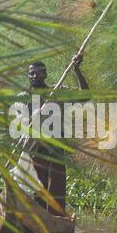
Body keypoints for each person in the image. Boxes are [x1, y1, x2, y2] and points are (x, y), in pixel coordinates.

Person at [20, 52, 88, 216]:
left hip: (56, 148)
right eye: (32, 73)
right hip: (35, 149)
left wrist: (77, 69)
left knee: (56, 189)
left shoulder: (57, 93)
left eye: (39, 72)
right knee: (38, 189)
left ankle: (56, 220)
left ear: (46, 74)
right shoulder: (23, 97)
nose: (35, 76)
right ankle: (39, 220)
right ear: (28, 76)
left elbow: (85, 95)